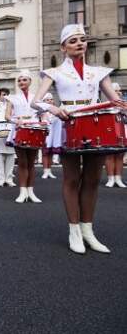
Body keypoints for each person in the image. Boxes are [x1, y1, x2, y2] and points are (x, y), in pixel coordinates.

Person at [32, 24, 127, 254]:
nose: (80, 44)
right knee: (72, 179)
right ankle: (74, 230)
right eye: (73, 40)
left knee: (93, 180)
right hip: (69, 124)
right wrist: (55, 111)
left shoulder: (98, 72)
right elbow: (36, 101)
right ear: (63, 47)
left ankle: (88, 231)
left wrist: (123, 107)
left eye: (82, 39)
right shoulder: (54, 73)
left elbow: (115, 101)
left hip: (96, 125)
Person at [6, 69, 42, 203]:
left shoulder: (37, 97)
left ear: (30, 81)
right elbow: (7, 116)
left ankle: (31, 191)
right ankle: (22, 192)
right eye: (19, 80)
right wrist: (17, 121)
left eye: (24, 79)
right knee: (22, 162)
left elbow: (42, 112)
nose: (21, 82)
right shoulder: (12, 98)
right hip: (19, 129)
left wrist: (45, 120)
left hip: (34, 129)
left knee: (31, 162)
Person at [104, 82, 126, 188]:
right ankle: (110, 178)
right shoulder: (105, 104)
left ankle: (118, 178)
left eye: (119, 91)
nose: (119, 92)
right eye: (116, 91)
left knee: (120, 155)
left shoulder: (124, 104)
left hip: (121, 131)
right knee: (109, 155)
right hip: (109, 132)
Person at [41, 93, 60, 179]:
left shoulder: (57, 110)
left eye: (51, 99)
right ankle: (45, 171)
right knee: (45, 153)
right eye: (47, 99)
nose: (50, 101)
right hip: (45, 133)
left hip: (54, 134)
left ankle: (49, 171)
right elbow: (42, 120)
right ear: (44, 101)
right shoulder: (41, 110)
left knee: (51, 152)